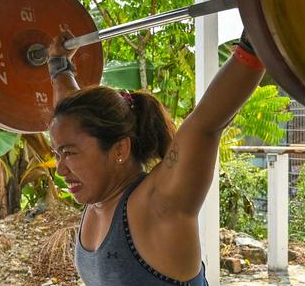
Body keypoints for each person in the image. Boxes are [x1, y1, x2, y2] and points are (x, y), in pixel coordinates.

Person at [47, 24, 265, 286]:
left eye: (69, 154)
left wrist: (258, 39)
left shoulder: (159, 204)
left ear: (119, 150)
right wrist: (59, 66)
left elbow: (205, 124)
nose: (60, 169)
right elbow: (72, 121)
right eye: (58, 153)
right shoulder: (99, 193)